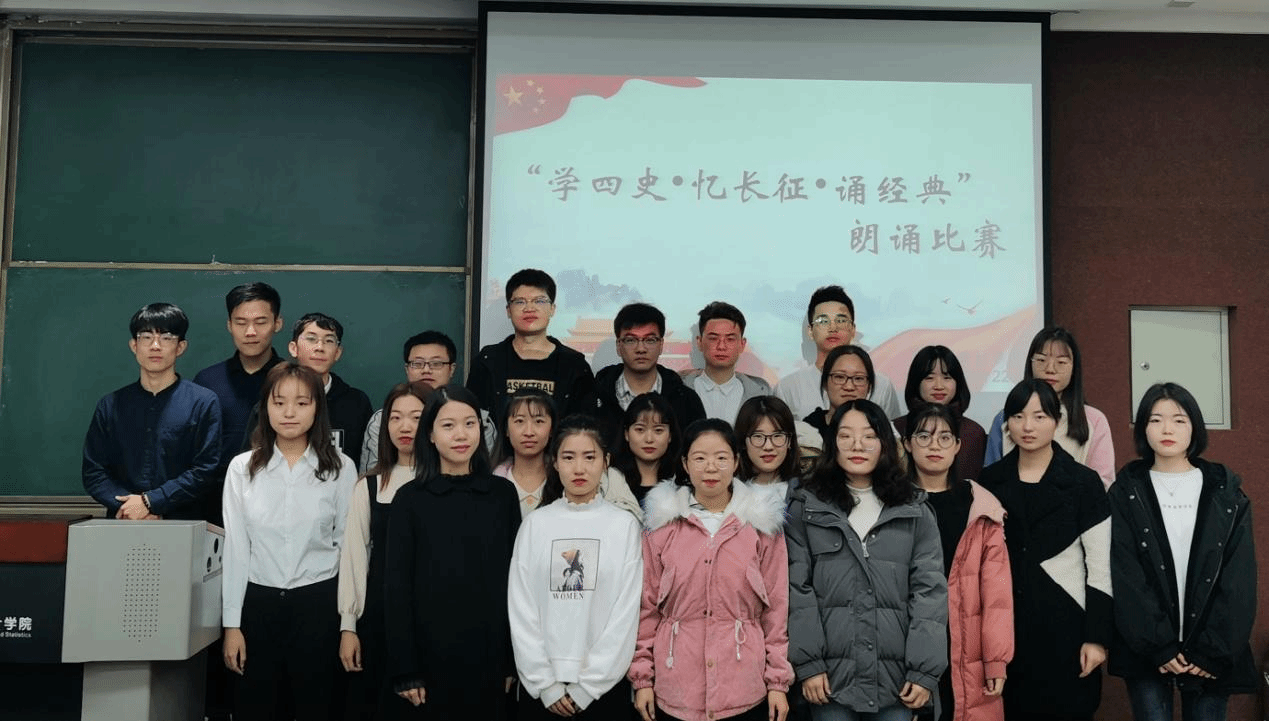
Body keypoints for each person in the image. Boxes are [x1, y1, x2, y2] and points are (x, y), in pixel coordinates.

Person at [786, 399, 947, 721]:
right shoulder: (807, 507)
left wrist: (923, 671)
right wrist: (809, 664)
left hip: (897, 680)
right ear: (832, 443)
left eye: (869, 435)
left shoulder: (914, 508)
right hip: (830, 680)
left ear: (885, 443)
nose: (857, 445)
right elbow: (796, 590)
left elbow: (929, 593)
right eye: (846, 435)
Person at [1108, 383, 1257, 721]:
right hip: (1147, 648)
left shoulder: (1226, 491)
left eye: (1179, 420)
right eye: (1155, 419)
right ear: (1143, 428)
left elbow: (1239, 577)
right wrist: (1157, 644)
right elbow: (1125, 572)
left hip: (1210, 649)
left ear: (1195, 428)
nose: (1167, 429)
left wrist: (1213, 649)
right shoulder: (1126, 491)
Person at [221, 362, 357, 721]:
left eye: (301, 402)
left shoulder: (341, 467)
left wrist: (348, 625)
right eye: (279, 402)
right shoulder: (241, 469)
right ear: (265, 407)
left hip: (319, 605)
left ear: (317, 408)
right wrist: (232, 625)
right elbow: (236, 550)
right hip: (258, 604)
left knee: (318, 708)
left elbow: (349, 551)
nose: (289, 412)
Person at [631, 419, 793, 721]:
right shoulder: (662, 526)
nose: (710, 468)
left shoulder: (760, 525)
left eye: (721, 458)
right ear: (685, 463)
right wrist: (642, 679)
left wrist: (777, 682)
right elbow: (647, 607)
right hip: (676, 686)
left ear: (736, 462)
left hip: (744, 687)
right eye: (700, 458)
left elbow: (776, 609)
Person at [384, 385, 521, 720]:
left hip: (489, 654)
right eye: (448, 425)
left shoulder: (502, 495)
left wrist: (511, 660)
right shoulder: (409, 499)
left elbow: (517, 584)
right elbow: (396, 589)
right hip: (429, 660)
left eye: (470, 423)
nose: (461, 435)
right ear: (430, 435)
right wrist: (406, 668)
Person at [978, 379, 1111, 721]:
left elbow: (1101, 566)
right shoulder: (988, 482)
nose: (1028, 426)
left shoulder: (1084, 483)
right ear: (1006, 423)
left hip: (1067, 629)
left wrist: (1097, 638)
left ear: (1056, 421)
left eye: (1039, 416)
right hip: (1006, 633)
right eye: (1018, 416)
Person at [508, 414, 643, 720]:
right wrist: (545, 684)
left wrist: (589, 686)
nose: (579, 468)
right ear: (554, 462)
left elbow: (626, 614)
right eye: (568, 457)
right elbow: (521, 608)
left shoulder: (624, 526)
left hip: (603, 691)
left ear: (606, 462)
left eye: (589, 457)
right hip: (542, 691)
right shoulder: (535, 524)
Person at [901, 403, 1013, 721]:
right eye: (924, 436)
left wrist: (996, 660)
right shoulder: (892, 505)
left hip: (967, 647)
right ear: (907, 443)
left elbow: (997, 596)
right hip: (908, 645)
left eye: (945, 437)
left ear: (958, 446)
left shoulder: (981, 507)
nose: (934, 445)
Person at [338, 381, 430, 721]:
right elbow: (354, 559)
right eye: (395, 417)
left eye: (416, 417)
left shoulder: (444, 484)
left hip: (430, 621)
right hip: (377, 618)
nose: (405, 427)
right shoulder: (369, 485)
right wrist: (349, 626)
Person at [83, 302, 222, 521]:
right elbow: (94, 472)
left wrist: (151, 502)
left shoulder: (203, 402)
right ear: (134, 345)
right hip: (122, 524)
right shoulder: (110, 405)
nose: (155, 346)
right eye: (146, 337)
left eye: (166, 338)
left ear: (181, 347)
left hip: (183, 524)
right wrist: (130, 508)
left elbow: (205, 470)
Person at [194, 282, 285, 524]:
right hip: (216, 505)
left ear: (277, 323)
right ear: (229, 325)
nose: (250, 332)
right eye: (241, 323)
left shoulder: (293, 381)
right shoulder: (207, 381)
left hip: (281, 502)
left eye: (261, 322)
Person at [985, 327, 1114, 487]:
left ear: (1074, 368)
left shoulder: (1094, 420)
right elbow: (991, 478)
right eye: (1041, 360)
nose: (1050, 369)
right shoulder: (1003, 417)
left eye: (1061, 362)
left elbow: (1103, 483)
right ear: (1030, 363)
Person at [467, 268, 596, 421]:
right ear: (508, 310)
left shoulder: (574, 366)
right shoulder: (488, 361)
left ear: (552, 309)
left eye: (539, 301)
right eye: (520, 302)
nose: (529, 308)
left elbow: (584, 426)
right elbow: (472, 418)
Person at [775, 285, 901, 420]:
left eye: (841, 320)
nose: (833, 328)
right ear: (810, 331)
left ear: (853, 330)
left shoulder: (881, 385)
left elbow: (889, 431)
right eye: (823, 321)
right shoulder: (788, 388)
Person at [592, 302, 706, 444]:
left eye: (650, 340)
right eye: (630, 340)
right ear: (618, 346)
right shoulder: (592, 398)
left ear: (661, 345)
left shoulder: (687, 401)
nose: (641, 349)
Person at [361, 330, 459, 473]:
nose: (426, 370)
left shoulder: (474, 418)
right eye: (417, 363)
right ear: (407, 369)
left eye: (436, 363)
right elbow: (373, 475)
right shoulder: (382, 419)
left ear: (451, 369)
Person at [895, 345, 989, 481]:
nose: (939, 386)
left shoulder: (974, 432)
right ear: (916, 383)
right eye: (929, 378)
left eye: (947, 377)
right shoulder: (896, 429)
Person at [680, 301, 771, 424]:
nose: (721, 346)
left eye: (730, 339)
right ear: (699, 342)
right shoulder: (678, 387)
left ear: (742, 344)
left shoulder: (761, 392)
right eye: (713, 338)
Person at [492, 388, 557, 517]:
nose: (529, 432)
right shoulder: (492, 483)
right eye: (519, 421)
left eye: (539, 421)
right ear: (506, 429)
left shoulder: (563, 480)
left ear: (551, 429)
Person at [609, 392, 682, 504]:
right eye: (640, 429)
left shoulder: (682, 481)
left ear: (670, 436)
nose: (649, 439)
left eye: (658, 430)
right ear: (626, 434)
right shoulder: (609, 481)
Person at [801, 345, 878, 445]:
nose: (849, 387)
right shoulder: (807, 430)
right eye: (840, 377)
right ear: (825, 383)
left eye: (858, 378)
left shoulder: (880, 428)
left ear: (869, 386)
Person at [734, 395, 800, 503]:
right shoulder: (727, 493)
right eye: (758, 436)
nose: (768, 447)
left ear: (789, 441)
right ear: (743, 442)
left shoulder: (807, 494)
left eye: (777, 435)